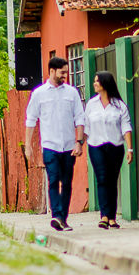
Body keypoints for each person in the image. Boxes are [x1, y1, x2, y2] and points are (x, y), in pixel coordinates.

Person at [24, 56, 85, 231]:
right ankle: (56, 215)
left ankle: (63, 218)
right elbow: (31, 120)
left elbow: (79, 118)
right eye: (62, 72)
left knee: (66, 182)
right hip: (49, 145)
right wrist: (28, 145)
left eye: (66, 72)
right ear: (52, 71)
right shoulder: (39, 94)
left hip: (68, 146)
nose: (65, 75)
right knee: (53, 180)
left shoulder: (72, 93)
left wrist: (79, 142)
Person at [83, 70, 133, 229]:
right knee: (102, 179)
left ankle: (112, 217)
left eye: (97, 81)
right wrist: (79, 144)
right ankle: (104, 216)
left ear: (105, 83)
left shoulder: (119, 105)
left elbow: (126, 127)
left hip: (115, 147)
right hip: (96, 146)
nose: (94, 84)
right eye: (94, 81)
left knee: (112, 180)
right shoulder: (91, 104)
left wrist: (130, 149)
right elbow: (86, 126)